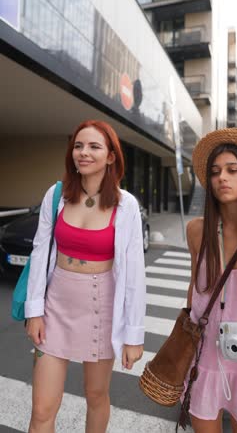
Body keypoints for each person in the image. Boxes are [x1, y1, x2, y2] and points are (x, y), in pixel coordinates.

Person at [25, 120, 146, 433]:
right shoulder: (57, 194)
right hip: (56, 306)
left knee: (96, 395)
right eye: (78, 146)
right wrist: (34, 310)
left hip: (101, 307)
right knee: (41, 409)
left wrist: (133, 335)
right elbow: (40, 253)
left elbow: (134, 272)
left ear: (110, 156)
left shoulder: (126, 204)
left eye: (94, 146)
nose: (83, 152)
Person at [185, 128, 237, 433]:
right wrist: (184, 337)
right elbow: (194, 288)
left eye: (233, 170)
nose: (222, 178)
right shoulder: (197, 231)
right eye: (216, 171)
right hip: (206, 354)